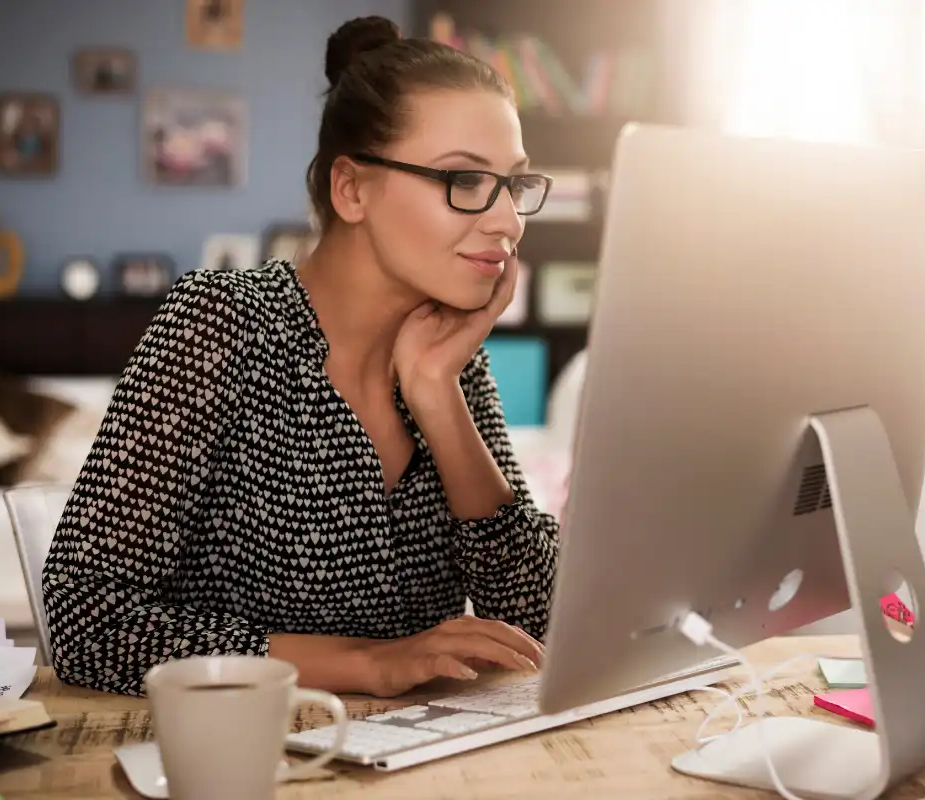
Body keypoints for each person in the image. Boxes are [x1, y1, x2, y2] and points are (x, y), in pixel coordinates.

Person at [42, 15, 559, 698]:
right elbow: (88, 623)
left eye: (514, 184)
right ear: (351, 190)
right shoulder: (221, 322)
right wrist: (367, 664)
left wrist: (438, 395)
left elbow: (535, 621)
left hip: (418, 763)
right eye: (464, 180)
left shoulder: (451, 356)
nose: (508, 220)